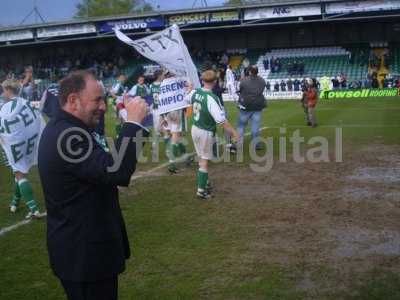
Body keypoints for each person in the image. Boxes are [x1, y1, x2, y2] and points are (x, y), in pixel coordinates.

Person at [38, 70, 149, 300]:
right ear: (72, 101)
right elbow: (116, 170)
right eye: (97, 99)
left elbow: (103, 167)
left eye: (103, 99)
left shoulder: (69, 129)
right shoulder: (66, 136)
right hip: (84, 257)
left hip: (84, 252)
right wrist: (133, 124)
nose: (103, 106)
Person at [188, 70, 239, 199]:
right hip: (205, 130)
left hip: (195, 128)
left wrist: (189, 89)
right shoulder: (212, 98)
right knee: (204, 160)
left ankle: (205, 182)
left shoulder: (195, 92)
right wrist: (234, 133)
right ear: (215, 82)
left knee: (201, 158)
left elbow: (187, 99)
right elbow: (222, 121)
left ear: (202, 80)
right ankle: (201, 191)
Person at [0, 79, 42, 218]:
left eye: (3, 90)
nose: (2, 93)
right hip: (29, 144)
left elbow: (5, 127)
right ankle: (15, 202)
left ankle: (34, 210)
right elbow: (38, 120)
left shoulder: (7, 107)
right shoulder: (26, 103)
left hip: (15, 145)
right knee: (18, 173)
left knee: (19, 174)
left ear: (8, 90)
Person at [236, 66, 266, 150]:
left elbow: (240, 90)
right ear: (257, 71)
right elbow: (261, 90)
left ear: (249, 72)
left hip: (245, 106)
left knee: (241, 126)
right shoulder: (262, 80)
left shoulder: (244, 80)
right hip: (257, 105)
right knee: (255, 126)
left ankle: (239, 144)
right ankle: (256, 145)